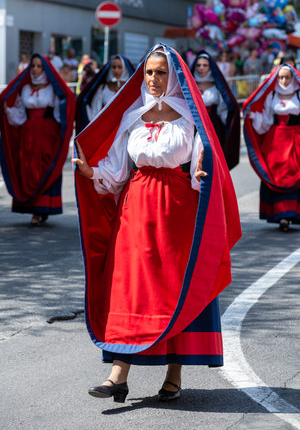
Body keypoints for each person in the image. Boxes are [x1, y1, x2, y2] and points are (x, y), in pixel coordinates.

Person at [72, 44, 241, 402]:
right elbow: (117, 171)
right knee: (130, 286)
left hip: (176, 211)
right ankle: (118, 374)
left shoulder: (190, 118)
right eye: (149, 72)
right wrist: (91, 172)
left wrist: (201, 173)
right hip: (135, 209)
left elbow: (203, 161)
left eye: (160, 72)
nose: (153, 78)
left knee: (173, 288)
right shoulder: (133, 116)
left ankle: (174, 373)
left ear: (174, 76)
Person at [0, 54, 75, 226]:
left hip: (46, 135)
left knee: (44, 168)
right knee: (28, 170)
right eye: (32, 65)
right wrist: (8, 111)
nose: (34, 69)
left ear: (45, 69)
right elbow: (19, 114)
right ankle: (35, 209)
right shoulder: (25, 89)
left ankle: (41, 209)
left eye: (39, 66)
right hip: (28, 136)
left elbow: (61, 110)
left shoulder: (52, 90)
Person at [244, 64, 300, 231]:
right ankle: (281, 215)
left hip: (296, 138)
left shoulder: (298, 94)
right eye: (280, 77)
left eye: (286, 77)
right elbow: (266, 121)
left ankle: (292, 213)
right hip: (275, 140)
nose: (283, 80)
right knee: (276, 173)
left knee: (295, 173)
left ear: (293, 78)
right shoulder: (272, 95)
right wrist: (253, 117)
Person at [190, 50, 240, 170]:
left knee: (211, 161)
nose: (201, 68)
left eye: (205, 65)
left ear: (210, 67)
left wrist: (228, 125)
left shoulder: (217, 86)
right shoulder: (189, 84)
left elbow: (225, 108)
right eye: (198, 65)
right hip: (192, 126)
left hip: (212, 127)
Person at [75, 54, 134, 134]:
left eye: (119, 67)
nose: (116, 70)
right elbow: (95, 113)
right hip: (106, 132)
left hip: (126, 132)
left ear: (125, 69)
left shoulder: (131, 88)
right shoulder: (103, 88)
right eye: (114, 67)